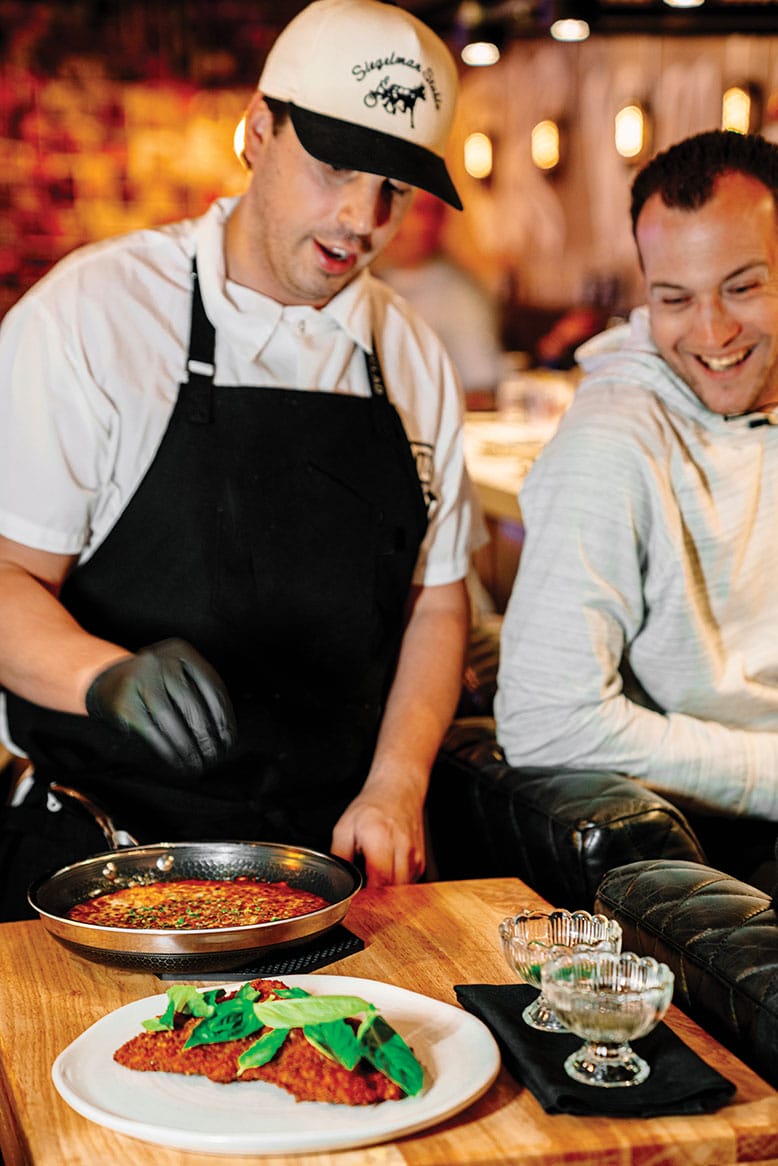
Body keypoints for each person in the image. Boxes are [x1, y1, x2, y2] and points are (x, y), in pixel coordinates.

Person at [0, 0, 484, 919]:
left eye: (395, 186)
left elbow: (438, 595)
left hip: (330, 869)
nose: (361, 217)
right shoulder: (92, 319)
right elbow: (6, 577)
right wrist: (97, 674)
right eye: (335, 164)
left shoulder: (411, 355)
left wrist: (395, 782)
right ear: (259, 132)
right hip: (100, 860)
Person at [495, 129, 778, 884]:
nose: (713, 332)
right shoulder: (614, 440)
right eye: (675, 299)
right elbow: (546, 720)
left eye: (744, 287)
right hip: (740, 841)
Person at [373, 187, 503, 410]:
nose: (403, 220)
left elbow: (481, 394)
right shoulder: (364, 281)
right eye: (391, 204)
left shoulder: (459, 296)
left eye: (422, 211)